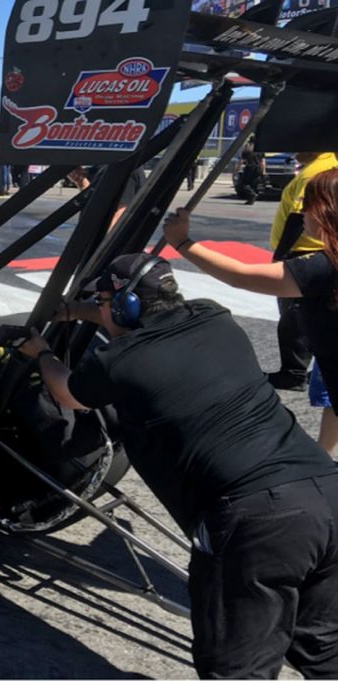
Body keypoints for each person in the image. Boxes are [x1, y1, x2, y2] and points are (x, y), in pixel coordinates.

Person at [20, 252, 338, 678]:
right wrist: (78, 311)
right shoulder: (214, 317)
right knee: (322, 648)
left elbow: (68, 392)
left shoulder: (120, 360)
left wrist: (41, 353)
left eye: (104, 301)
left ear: (124, 306)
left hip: (255, 519)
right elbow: (138, 319)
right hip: (325, 491)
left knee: (236, 668)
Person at [164, 167, 338, 455]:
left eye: (308, 204)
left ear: (325, 210)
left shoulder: (324, 268)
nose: (303, 212)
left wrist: (183, 243)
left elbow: (242, 276)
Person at [267, 151, 338, 391]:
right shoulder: (321, 165)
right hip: (310, 250)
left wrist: (281, 256)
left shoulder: (316, 170)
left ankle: (294, 373)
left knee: (294, 318)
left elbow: (299, 216)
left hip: (304, 251)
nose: (294, 149)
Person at [237, 140, 265, 205]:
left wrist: (237, 169)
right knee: (252, 184)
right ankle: (251, 200)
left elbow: (241, 161)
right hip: (258, 169)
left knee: (243, 184)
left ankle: (252, 195)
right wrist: (263, 171)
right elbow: (263, 162)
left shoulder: (247, 150)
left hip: (250, 168)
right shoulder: (260, 150)